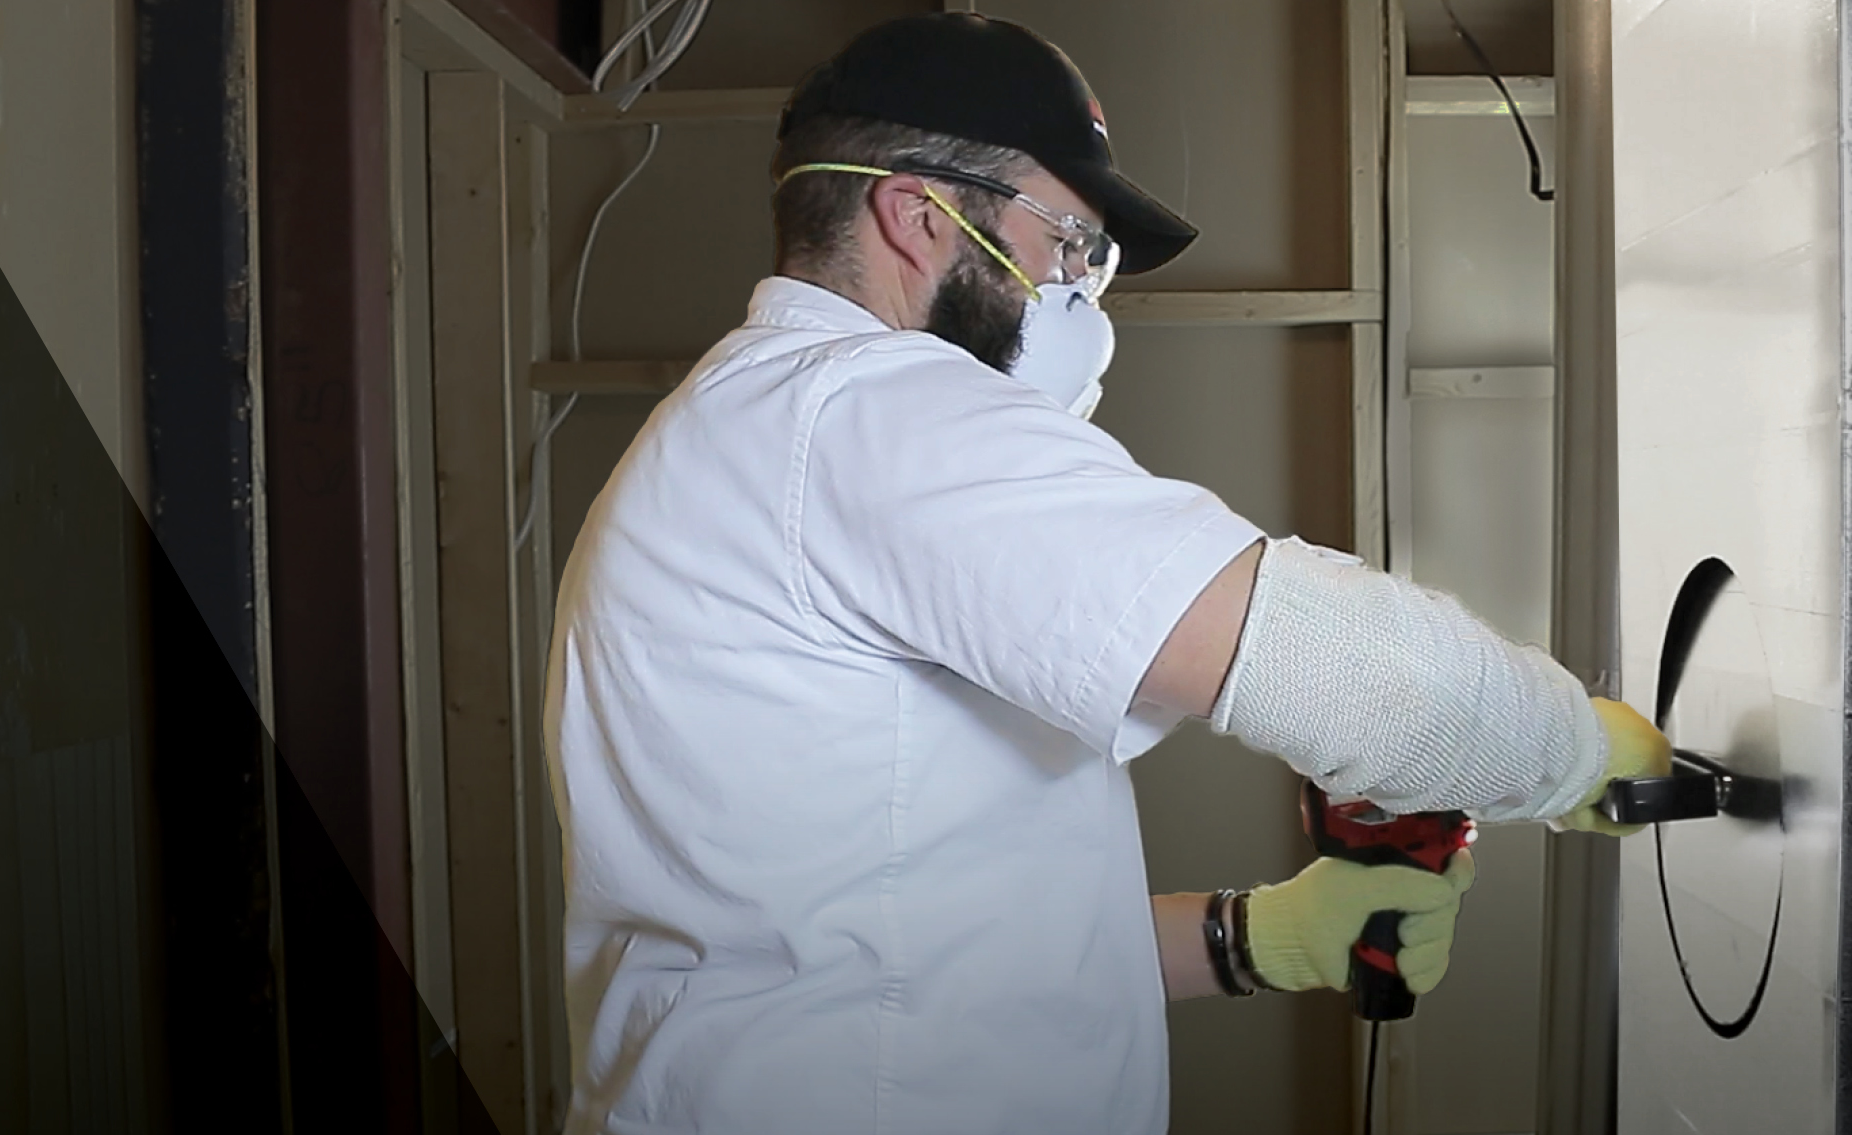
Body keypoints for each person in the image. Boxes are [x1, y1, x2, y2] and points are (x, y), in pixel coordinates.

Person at [541, 13, 1671, 1135]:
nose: (1080, 292)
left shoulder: (765, 432)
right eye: (1066, 243)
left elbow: (911, 933)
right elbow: (1318, 657)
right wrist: (1568, 752)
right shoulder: (865, 413)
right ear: (916, 217)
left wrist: (1256, 937)